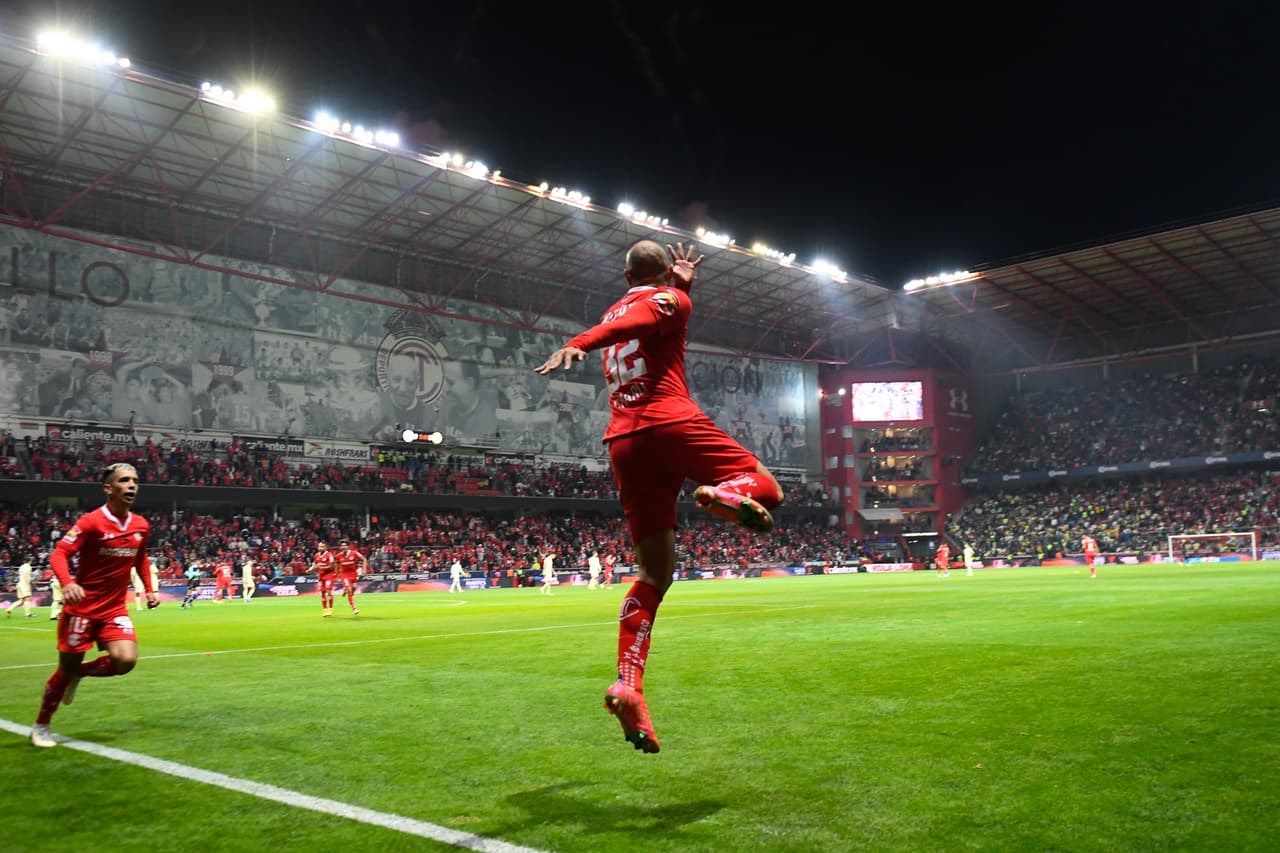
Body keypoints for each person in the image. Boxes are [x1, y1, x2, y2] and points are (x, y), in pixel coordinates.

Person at [535, 241, 782, 753]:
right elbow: (651, 316)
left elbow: (633, 323)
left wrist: (671, 288)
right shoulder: (671, 303)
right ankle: (724, 494)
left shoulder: (621, 306)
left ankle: (629, 685)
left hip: (624, 442)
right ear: (666, 271)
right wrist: (583, 340)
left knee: (652, 576)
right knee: (766, 486)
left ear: (626, 275)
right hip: (670, 422)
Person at [29, 462, 158, 748]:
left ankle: (81, 673)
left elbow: (141, 560)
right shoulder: (90, 522)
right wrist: (68, 582)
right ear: (108, 488)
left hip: (113, 610)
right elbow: (60, 554)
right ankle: (41, 726)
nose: (132, 485)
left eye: (135, 480)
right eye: (125, 480)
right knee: (64, 670)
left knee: (125, 660)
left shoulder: (140, 525)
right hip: (82, 610)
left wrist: (149, 589)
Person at [335, 539, 367, 615]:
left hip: (353, 574)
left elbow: (364, 559)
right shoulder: (338, 556)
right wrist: (336, 574)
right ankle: (354, 608)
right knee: (350, 590)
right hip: (344, 575)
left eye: (345, 545)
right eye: (342, 546)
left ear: (348, 546)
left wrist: (364, 569)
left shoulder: (354, 553)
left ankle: (346, 590)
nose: (343, 547)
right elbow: (337, 565)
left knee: (353, 589)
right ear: (340, 547)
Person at [312, 540, 337, 617]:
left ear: (326, 547)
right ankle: (325, 610)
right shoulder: (316, 555)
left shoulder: (329, 555)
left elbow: (332, 566)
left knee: (329, 591)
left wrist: (321, 567)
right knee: (322, 593)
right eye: (319, 546)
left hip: (329, 575)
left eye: (322, 546)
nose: (320, 548)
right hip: (321, 576)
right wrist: (310, 569)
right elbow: (315, 566)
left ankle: (330, 609)